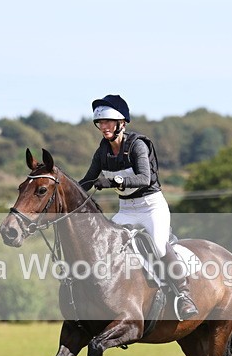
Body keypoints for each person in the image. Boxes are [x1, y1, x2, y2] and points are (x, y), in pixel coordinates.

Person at [79, 94, 198, 320]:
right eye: (100, 123)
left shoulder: (137, 145)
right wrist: (65, 191)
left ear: (121, 123)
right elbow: (86, 181)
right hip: (126, 210)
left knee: (160, 246)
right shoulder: (102, 151)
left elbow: (144, 178)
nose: (103, 127)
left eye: (108, 122)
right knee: (105, 246)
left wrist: (114, 181)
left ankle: (184, 294)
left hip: (151, 207)